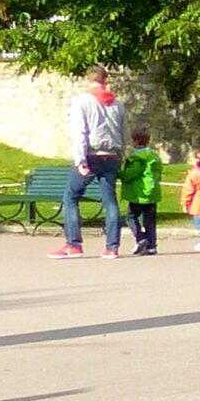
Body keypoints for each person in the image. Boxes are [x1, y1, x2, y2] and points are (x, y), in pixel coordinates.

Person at [51, 66, 128, 260]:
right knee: (110, 200)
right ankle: (112, 247)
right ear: (105, 80)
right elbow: (123, 132)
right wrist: (121, 155)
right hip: (111, 155)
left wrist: (80, 160)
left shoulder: (82, 101)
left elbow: (80, 132)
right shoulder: (117, 104)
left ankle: (73, 244)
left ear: (88, 80)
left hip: (92, 154)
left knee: (71, 197)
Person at [118, 130, 162, 256]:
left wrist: (119, 173)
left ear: (135, 142)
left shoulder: (137, 158)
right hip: (152, 193)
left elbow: (130, 175)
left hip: (139, 193)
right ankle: (152, 246)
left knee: (131, 217)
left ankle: (141, 238)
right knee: (150, 221)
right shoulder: (154, 156)